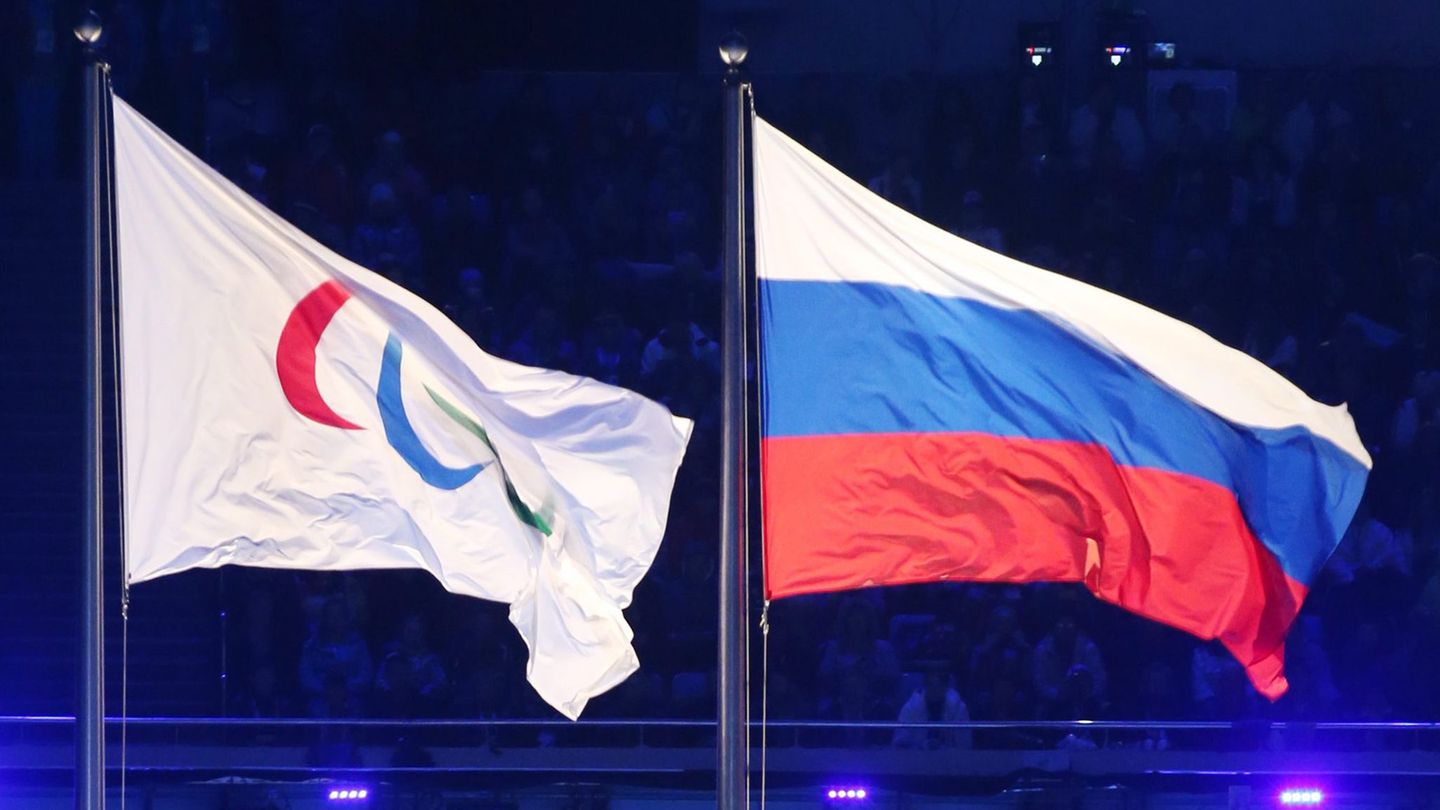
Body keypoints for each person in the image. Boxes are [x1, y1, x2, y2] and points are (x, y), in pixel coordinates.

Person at [893, 668, 972, 750]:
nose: (935, 690)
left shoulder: (959, 709)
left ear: (946, 688)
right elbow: (899, 744)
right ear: (924, 687)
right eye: (931, 685)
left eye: (939, 686)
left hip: (950, 760)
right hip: (917, 760)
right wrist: (922, 747)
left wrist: (942, 749)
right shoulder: (910, 708)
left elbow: (966, 746)